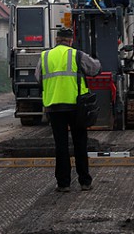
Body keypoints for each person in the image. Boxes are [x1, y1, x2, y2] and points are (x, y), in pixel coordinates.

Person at [35, 27, 101, 192]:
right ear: (71, 40)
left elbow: (38, 77)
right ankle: (85, 181)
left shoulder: (45, 56)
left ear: (57, 40)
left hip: (53, 106)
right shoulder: (77, 55)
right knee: (80, 143)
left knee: (61, 145)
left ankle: (63, 183)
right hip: (75, 106)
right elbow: (94, 69)